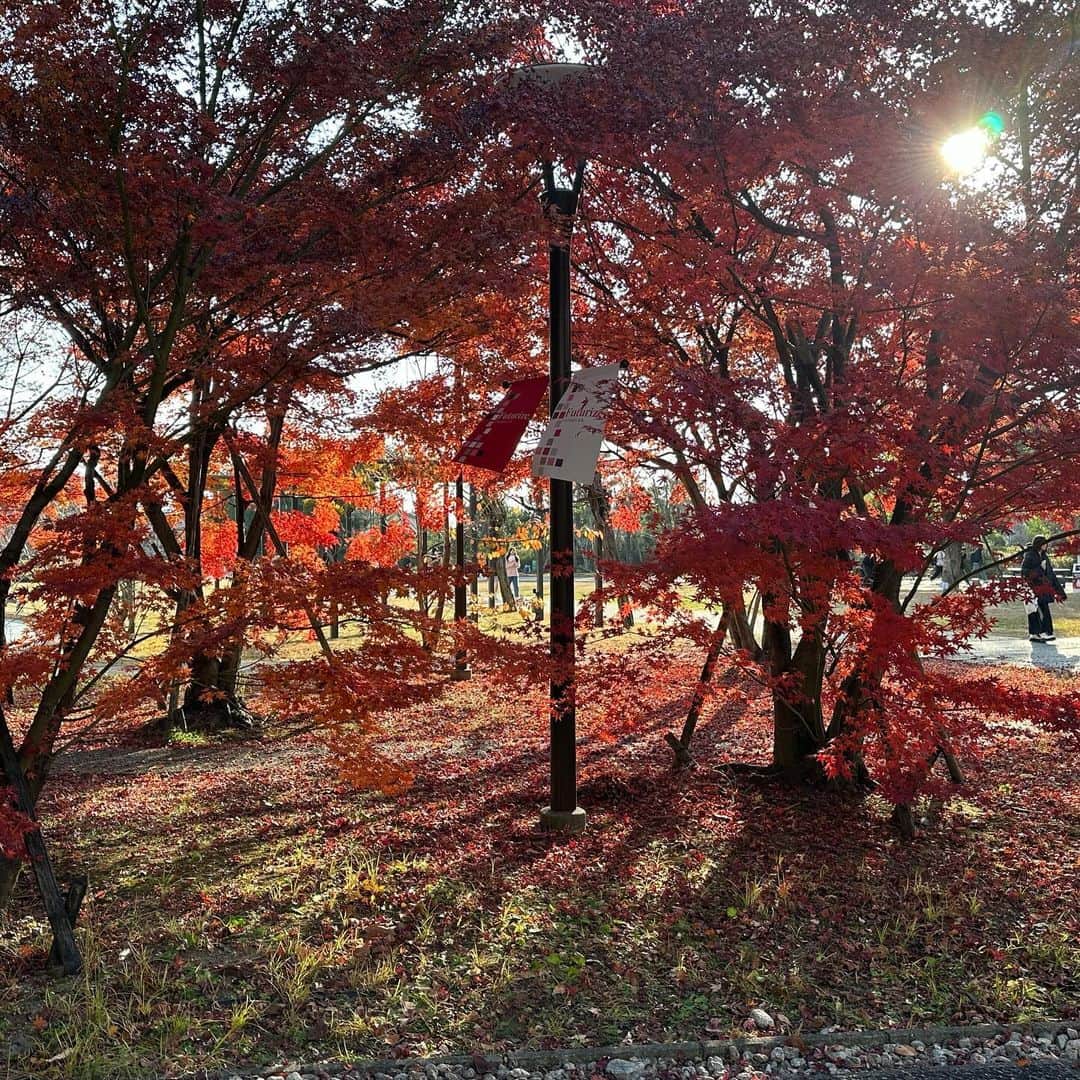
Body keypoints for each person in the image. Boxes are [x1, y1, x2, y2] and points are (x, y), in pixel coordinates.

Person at [1021, 536, 1066, 643]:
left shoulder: (1044, 556)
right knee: (1038, 610)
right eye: (1045, 543)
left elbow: (1051, 574)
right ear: (1040, 544)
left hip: (1044, 587)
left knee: (1040, 609)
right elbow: (1024, 571)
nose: (1047, 545)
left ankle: (1036, 633)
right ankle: (1041, 632)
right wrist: (1040, 568)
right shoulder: (1030, 555)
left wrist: (1060, 592)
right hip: (1034, 587)